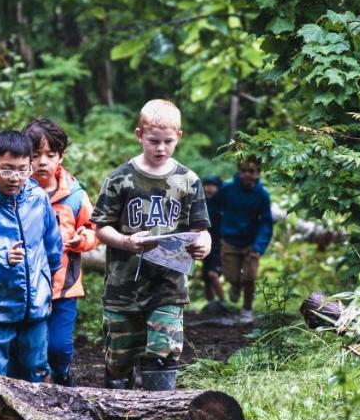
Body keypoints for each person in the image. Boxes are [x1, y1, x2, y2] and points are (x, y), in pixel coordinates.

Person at [91, 100, 211, 391]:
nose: (161, 148)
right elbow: (100, 227)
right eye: (153, 141)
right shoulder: (120, 179)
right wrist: (124, 241)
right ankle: (119, 416)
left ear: (179, 137)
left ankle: (160, 417)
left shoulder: (187, 180)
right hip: (123, 287)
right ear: (139, 135)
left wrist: (203, 245)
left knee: (163, 353)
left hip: (168, 286)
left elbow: (201, 229)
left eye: (168, 142)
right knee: (120, 358)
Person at [0, 129, 63, 382]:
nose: (15, 178)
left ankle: (39, 417)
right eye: (7, 170)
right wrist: (2, 260)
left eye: (22, 169)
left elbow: (51, 241)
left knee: (36, 366)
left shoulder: (38, 198)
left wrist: (48, 275)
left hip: (35, 305)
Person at [26, 117, 99, 387]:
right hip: (28, 287)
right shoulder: (17, 192)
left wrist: (83, 239)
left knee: (58, 348)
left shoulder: (75, 196)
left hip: (64, 288)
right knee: (33, 350)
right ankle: (38, 393)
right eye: (35, 155)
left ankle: (64, 377)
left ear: (61, 156)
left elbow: (93, 229)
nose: (42, 162)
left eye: (50, 155)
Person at [215, 156, 273, 324]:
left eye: (252, 171)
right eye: (243, 171)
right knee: (231, 276)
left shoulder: (262, 195)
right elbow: (213, 207)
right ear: (239, 172)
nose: (247, 174)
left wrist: (259, 246)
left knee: (250, 277)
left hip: (251, 242)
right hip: (229, 239)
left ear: (258, 173)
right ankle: (234, 284)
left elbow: (266, 222)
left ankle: (247, 309)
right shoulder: (227, 189)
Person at [200, 175, 227, 309]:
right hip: (204, 243)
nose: (209, 188)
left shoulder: (222, 204)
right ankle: (211, 302)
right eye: (207, 185)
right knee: (205, 276)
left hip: (218, 244)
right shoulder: (200, 203)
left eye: (213, 185)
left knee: (213, 274)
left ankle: (223, 302)